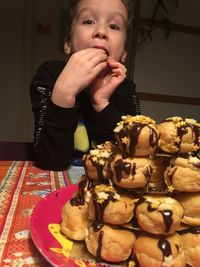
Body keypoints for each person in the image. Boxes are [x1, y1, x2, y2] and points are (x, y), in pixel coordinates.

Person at [30, 0, 141, 171]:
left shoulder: (126, 89)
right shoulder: (50, 75)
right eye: (88, 21)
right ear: (68, 43)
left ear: (124, 52)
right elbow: (49, 160)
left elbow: (133, 158)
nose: (101, 32)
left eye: (113, 26)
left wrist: (101, 102)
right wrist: (65, 93)